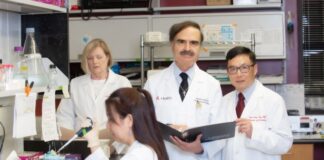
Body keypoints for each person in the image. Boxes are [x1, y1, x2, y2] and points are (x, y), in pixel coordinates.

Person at [144, 21, 224, 159]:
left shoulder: (212, 85)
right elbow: (143, 124)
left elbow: (219, 132)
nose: (187, 48)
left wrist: (200, 149)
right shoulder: (153, 83)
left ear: (200, 47)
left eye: (194, 43)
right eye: (181, 41)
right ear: (172, 44)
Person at [220, 46, 293, 160]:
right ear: (228, 72)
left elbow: (284, 144)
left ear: (255, 69)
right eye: (233, 69)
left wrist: (254, 133)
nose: (238, 74)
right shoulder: (223, 102)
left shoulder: (273, 100)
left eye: (244, 68)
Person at [56, 38, 132, 139]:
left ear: (107, 57)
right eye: (90, 58)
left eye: (99, 57)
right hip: (82, 144)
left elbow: (128, 119)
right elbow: (64, 118)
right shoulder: (75, 84)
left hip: (112, 143)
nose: (95, 61)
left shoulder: (122, 83)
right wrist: (76, 141)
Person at [84, 88, 169, 160]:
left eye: (111, 118)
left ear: (129, 120)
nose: (107, 125)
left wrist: (93, 143)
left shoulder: (139, 154)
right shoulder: (142, 150)